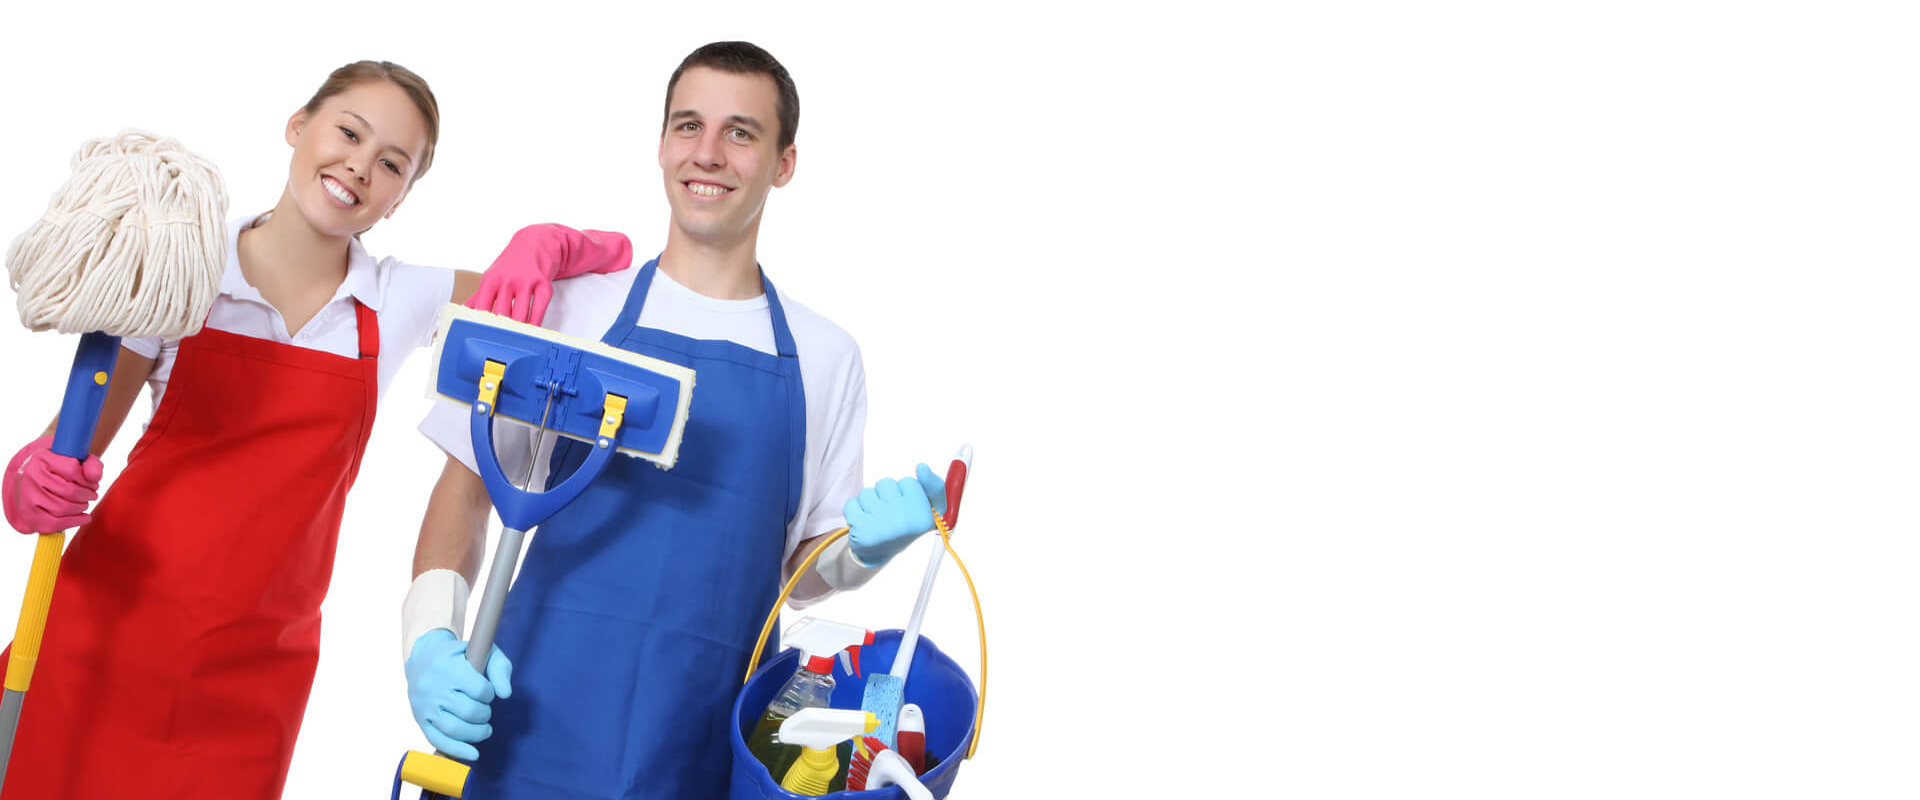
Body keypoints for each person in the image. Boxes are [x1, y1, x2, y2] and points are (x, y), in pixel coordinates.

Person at [0, 60, 626, 798]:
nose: (360, 166)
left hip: (253, 676)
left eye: (391, 163)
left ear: (399, 198)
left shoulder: (395, 298)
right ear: (298, 127)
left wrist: (546, 244)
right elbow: (70, 444)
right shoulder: (186, 266)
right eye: (349, 133)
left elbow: (606, 282)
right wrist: (31, 480)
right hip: (100, 636)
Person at [402, 41, 948, 799]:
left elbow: (802, 573)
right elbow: (465, 489)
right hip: (523, 722)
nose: (708, 153)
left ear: (784, 163)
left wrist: (862, 551)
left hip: (702, 745)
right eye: (689, 125)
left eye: (741, 133)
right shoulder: (573, 307)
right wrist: (429, 638)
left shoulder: (826, 355)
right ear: (662, 143)